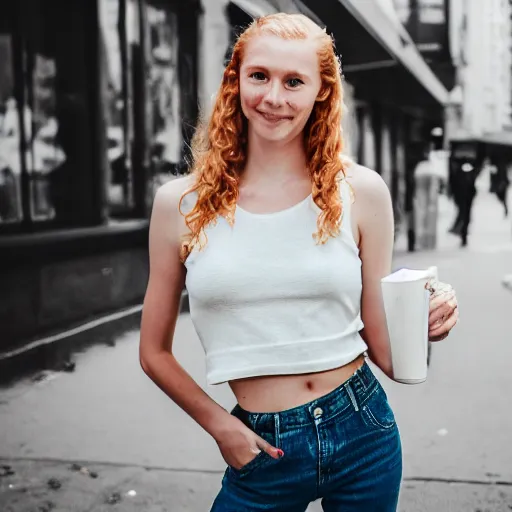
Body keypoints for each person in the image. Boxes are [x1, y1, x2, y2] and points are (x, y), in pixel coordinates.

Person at [139, 13, 459, 512]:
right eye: (259, 76)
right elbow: (153, 352)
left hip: (363, 431)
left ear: (321, 94)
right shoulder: (180, 203)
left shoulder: (361, 192)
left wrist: (429, 320)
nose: (273, 98)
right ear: (236, 80)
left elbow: (390, 355)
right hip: (260, 445)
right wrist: (222, 427)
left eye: (294, 82)